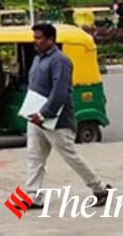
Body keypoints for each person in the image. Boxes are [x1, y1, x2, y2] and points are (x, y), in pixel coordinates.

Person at [24, 23, 112, 209]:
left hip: (56, 120)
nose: (35, 42)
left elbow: (60, 92)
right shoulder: (38, 59)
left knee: (70, 156)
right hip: (35, 117)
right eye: (34, 38)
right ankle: (33, 195)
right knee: (34, 156)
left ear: (50, 40)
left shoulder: (60, 61)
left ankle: (100, 188)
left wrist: (44, 113)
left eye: (39, 38)